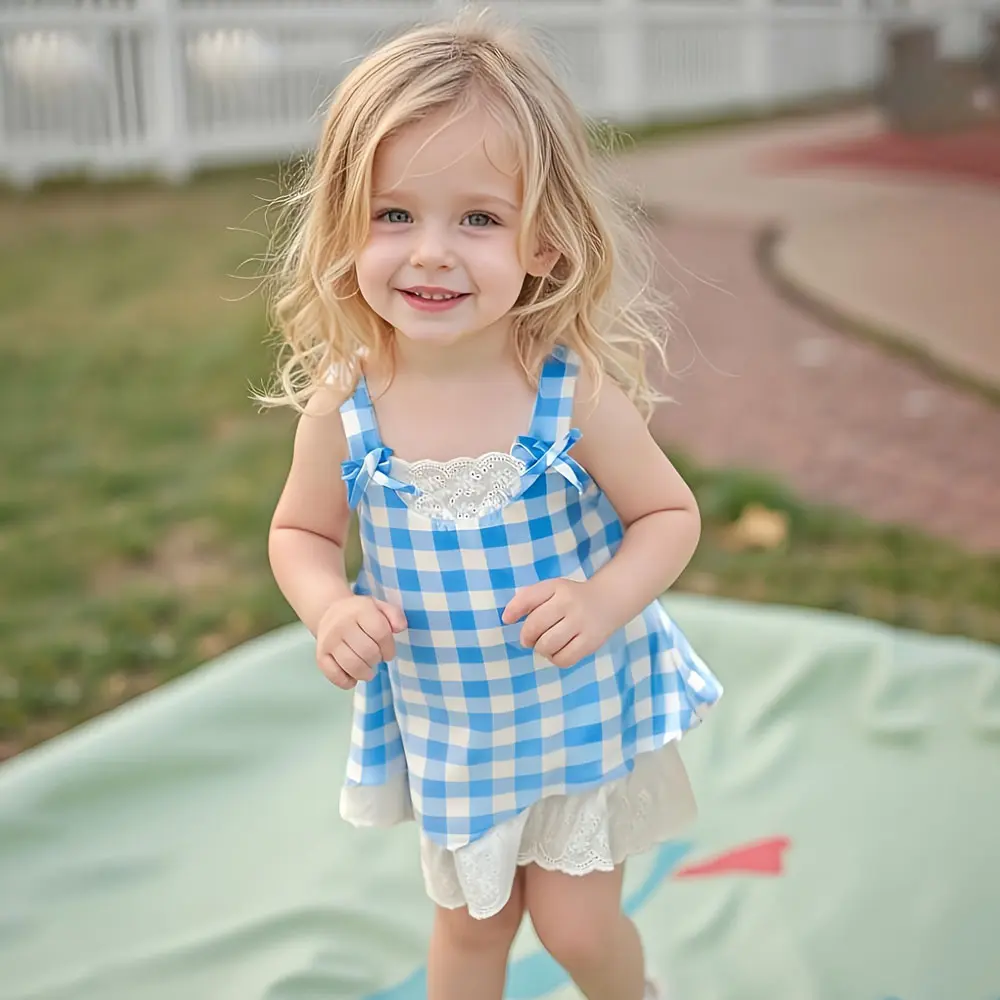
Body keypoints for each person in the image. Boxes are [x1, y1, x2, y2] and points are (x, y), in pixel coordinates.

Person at [265, 11, 723, 1000]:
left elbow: (668, 515)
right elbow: (300, 532)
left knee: (576, 928)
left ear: (545, 242)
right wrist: (329, 607)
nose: (431, 253)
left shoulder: (566, 392)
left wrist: (602, 599)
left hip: (577, 715)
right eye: (394, 215)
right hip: (456, 732)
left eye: (477, 219)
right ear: (344, 227)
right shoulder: (347, 406)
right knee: (471, 932)